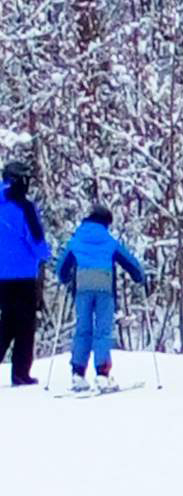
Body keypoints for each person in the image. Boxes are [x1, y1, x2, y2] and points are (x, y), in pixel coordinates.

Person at [54, 205, 147, 392]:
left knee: (83, 329)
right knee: (103, 331)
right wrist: (139, 277)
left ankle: (78, 374)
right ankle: (102, 374)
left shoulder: (76, 240)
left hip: (82, 288)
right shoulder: (109, 241)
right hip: (105, 287)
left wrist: (65, 280)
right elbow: (129, 262)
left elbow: (62, 267)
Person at [0, 160, 51, 386]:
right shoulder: (24, 207)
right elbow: (36, 240)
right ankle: (21, 372)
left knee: (6, 322)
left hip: (2, 276)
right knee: (24, 326)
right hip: (23, 276)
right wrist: (46, 255)